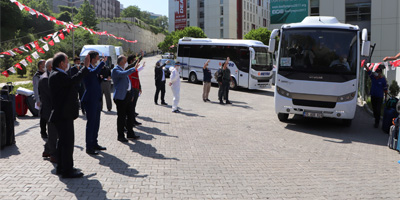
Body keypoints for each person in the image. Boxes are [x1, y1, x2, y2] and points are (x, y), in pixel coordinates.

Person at [49, 52, 89, 178]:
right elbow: (73, 80)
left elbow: (71, 82)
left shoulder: (59, 74)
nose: (68, 65)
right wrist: (85, 68)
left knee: (62, 143)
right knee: (67, 144)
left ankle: (62, 167)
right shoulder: (57, 75)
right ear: (61, 63)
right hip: (63, 115)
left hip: (63, 115)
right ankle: (68, 170)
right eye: (66, 62)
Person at [81, 51, 107, 155]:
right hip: (90, 100)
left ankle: (94, 143)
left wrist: (100, 80)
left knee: (96, 123)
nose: (98, 59)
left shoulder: (93, 68)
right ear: (91, 59)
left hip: (96, 99)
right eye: (97, 58)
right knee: (91, 123)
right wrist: (102, 62)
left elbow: (93, 80)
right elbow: (92, 73)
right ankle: (89, 146)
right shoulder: (88, 68)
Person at [111, 55, 140, 142]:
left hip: (127, 96)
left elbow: (128, 83)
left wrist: (131, 95)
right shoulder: (116, 70)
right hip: (120, 97)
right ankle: (120, 136)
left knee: (131, 115)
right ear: (121, 62)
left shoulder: (123, 69)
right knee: (121, 117)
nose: (126, 62)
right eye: (125, 60)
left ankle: (130, 133)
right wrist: (133, 69)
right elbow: (123, 74)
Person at [40, 59, 58, 163]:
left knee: (53, 133)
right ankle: (53, 154)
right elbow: (52, 95)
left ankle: (47, 150)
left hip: (51, 109)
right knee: (53, 133)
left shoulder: (48, 76)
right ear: (50, 67)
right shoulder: (46, 78)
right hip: (49, 110)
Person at [364, 64, 388, 128]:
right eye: (376, 72)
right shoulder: (373, 77)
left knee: (378, 109)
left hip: (379, 97)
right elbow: (368, 71)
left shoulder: (383, 80)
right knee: (374, 109)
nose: (377, 74)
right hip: (373, 96)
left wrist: (385, 97)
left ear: (380, 73)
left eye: (378, 72)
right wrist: (365, 66)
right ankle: (376, 119)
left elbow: (385, 89)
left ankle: (377, 122)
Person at [127, 54, 144, 125]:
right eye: (134, 60)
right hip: (132, 88)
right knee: (131, 106)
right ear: (131, 61)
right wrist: (140, 57)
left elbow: (137, 78)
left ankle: (133, 120)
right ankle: (131, 121)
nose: (136, 62)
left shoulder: (134, 69)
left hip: (136, 88)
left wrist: (140, 87)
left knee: (134, 106)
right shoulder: (129, 68)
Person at [33, 60, 47, 138]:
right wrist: (37, 100)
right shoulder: (37, 76)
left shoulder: (47, 73)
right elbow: (35, 89)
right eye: (44, 64)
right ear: (40, 66)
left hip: (48, 97)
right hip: (41, 98)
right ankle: (43, 132)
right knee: (43, 116)